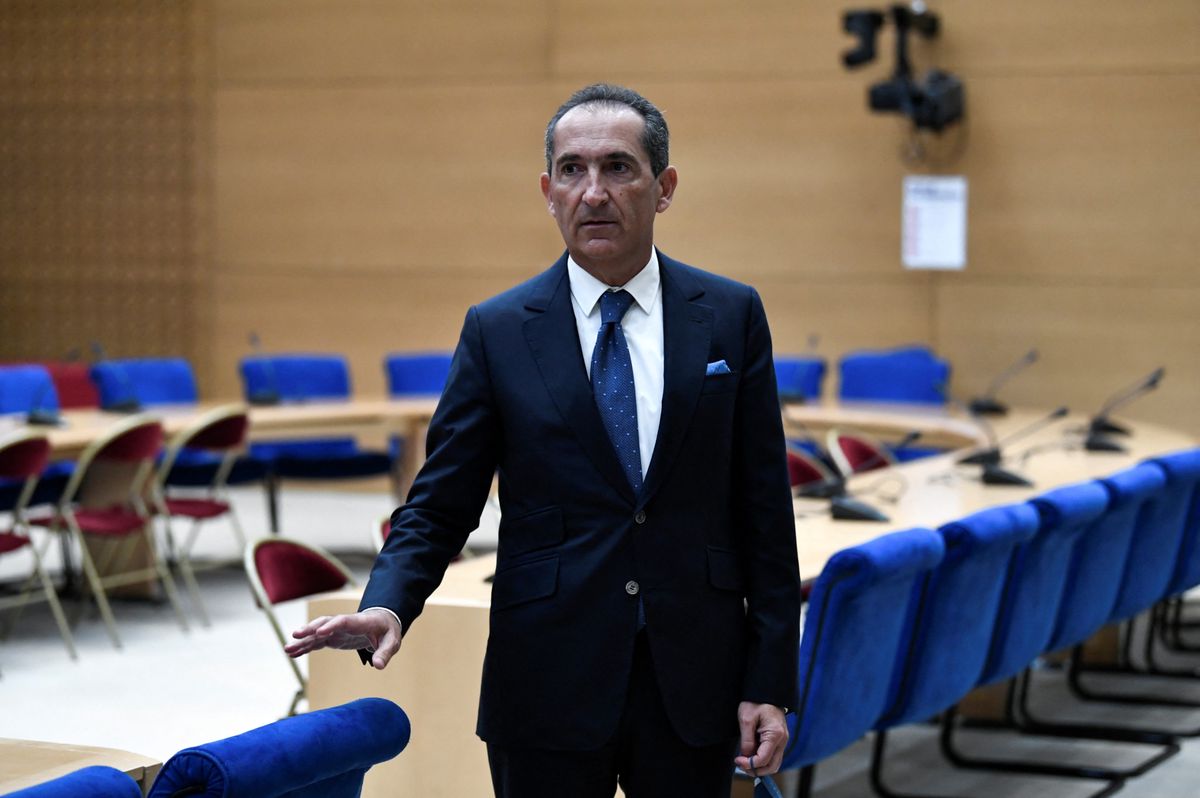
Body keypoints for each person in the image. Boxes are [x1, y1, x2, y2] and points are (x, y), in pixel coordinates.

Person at [286, 83, 802, 797]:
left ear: (665, 187)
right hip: (546, 675)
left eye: (619, 168)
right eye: (572, 170)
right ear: (547, 190)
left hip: (695, 680)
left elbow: (765, 511)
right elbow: (442, 500)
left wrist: (770, 679)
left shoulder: (728, 316)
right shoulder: (498, 331)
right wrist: (389, 601)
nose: (594, 192)